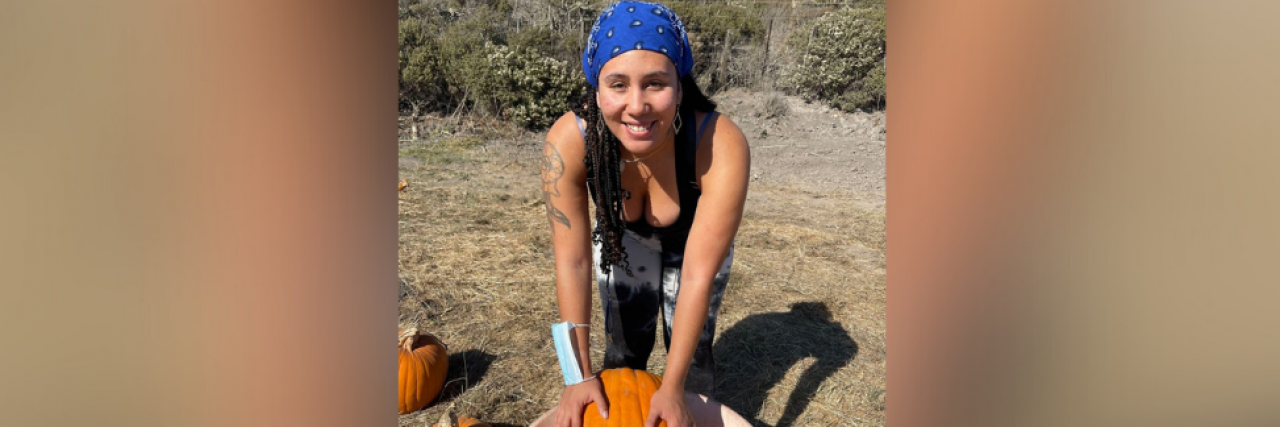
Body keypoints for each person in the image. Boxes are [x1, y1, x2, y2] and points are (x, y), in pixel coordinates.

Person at [537, 1, 750, 426]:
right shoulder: (570, 141)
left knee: (692, 365)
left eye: (655, 83)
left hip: (694, 250)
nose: (636, 106)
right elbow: (572, 261)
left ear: (680, 86)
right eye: (618, 84)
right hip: (623, 241)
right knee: (623, 350)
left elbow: (697, 276)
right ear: (597, 88)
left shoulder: (719, 143)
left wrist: (673, 389)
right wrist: (576, 376)